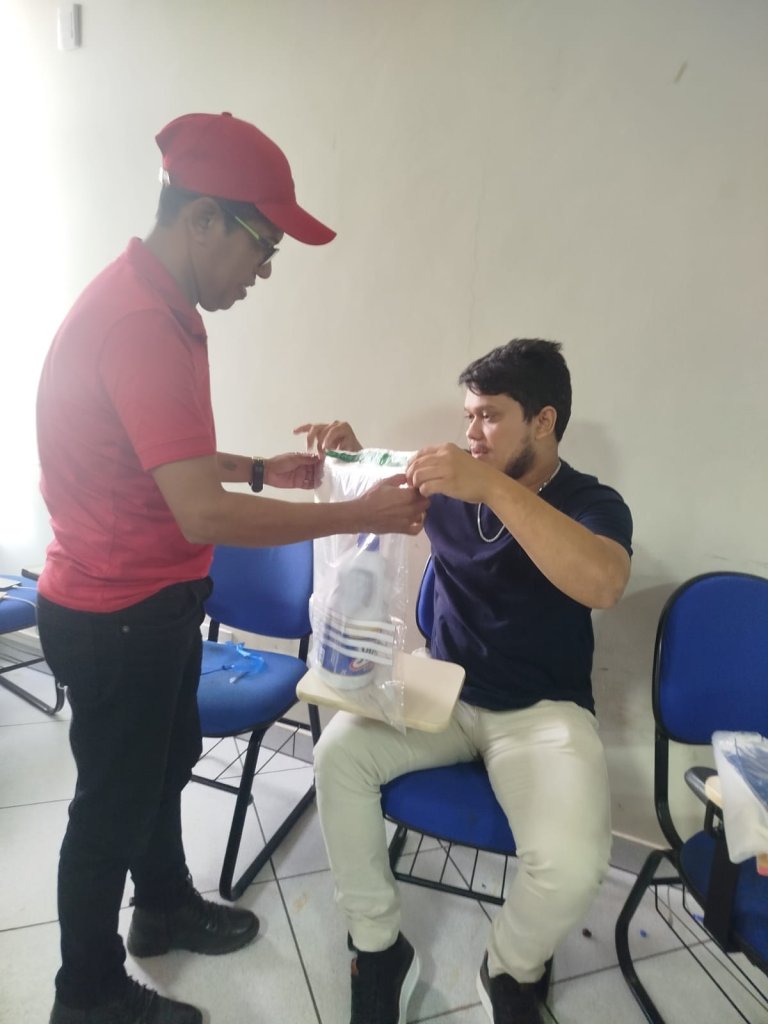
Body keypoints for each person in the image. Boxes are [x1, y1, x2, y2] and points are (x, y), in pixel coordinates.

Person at [36, 111, 428, 1024]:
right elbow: (200, 512)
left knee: (160, 769)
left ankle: (164, 908)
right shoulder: (142, 322)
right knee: (109, 808)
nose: (264, 269)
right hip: (116, 615)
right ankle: (84, 994)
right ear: (203, 219)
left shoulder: (160, 305)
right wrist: (360, 512)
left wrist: (258, 468)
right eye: (263, 245)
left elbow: (159, 454)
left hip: (154, 602)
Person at [295, 338, 633, 1024]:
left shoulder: (592, 501)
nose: (472, 433)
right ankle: (378, 947)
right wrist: (353, 455)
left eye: (490, 416)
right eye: (469, 415)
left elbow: (603, 583)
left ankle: (511, 966)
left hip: (542, 710)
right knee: (336, 757)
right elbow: (378, 481)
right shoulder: (454, 483)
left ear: (543, 421)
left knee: (573, 865)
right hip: (442, 691)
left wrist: (493, 489)